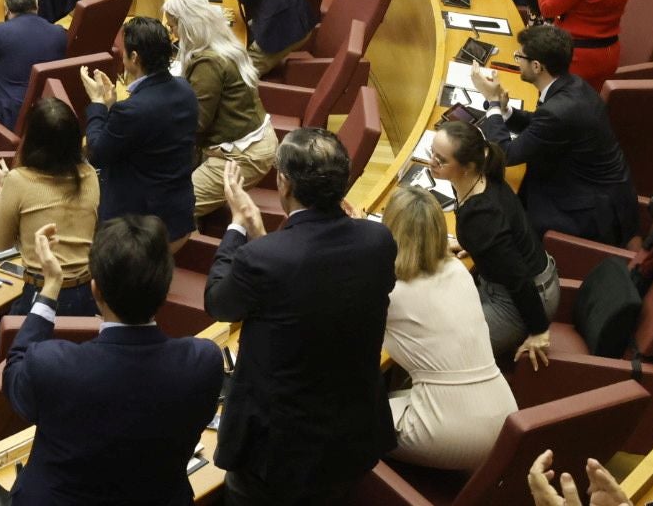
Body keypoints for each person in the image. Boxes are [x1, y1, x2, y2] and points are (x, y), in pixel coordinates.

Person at [208, 129, 397, 505]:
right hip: (350, 436)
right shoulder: (378, 242)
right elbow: (304, 285)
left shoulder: (262, 259)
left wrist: (238, 225)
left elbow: (219, 302)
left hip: (276, 454)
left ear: (283, 182)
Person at [3, 217, 221, 506]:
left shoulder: (52, 366)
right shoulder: (203, 363)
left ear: (96, 292)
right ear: (165, 288)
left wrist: (51, 286)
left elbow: (15, 370)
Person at [380, 184, 519, 469]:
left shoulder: (390, 291)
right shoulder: (457, 270)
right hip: (504, 416)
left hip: (451, 431)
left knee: (340, 419)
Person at [470, 23, 638, 246]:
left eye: (519, 56)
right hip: (595, 188)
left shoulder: (559, 110)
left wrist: (492, 103)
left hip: (587, 208)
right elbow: (540, 125)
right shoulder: (573, 85)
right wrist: (505, 111)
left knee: (503, 215)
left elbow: (506, 155)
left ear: (537, 66)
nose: (517, 60)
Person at [427, 120, 561, 367]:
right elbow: (505, 236)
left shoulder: (482, 221)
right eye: (432, 153)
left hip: (523, 302)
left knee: (445, 352)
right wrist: (477, 246)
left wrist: (539, 330)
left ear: (466, 166)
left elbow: (518, 279)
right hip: (521, 283)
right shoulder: (484, 176)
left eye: (441, 160)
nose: (432, 162)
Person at [81, 17, 197, 244]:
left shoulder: (132, 110)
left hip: (138, 230)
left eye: (124, 51)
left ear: (134, 57)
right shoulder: (185, 89)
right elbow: (147, 134)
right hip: (177, 215)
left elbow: (97, 154)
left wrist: (97, 104)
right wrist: (113, 106)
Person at [164, 0, 278, 217]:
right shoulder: (223, 42)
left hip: (241, 155)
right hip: (245, 143)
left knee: (173, 209)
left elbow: (196, 124)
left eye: (173, 26)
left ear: (188, 26)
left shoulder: (209, 63)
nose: (172, 33)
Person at [0, 99, 98, 315]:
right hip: (85, 296)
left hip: (42, 294)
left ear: (32, 139)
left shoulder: (17, 181)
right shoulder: (90, 175)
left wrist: (2, 193)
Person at [0, 0, 69, 128]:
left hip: (5, 116)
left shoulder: (0, 32)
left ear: (7, 8)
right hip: (46, 113)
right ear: (37, 4)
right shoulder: (59, 33)